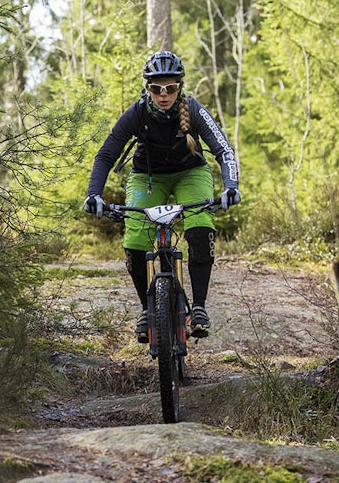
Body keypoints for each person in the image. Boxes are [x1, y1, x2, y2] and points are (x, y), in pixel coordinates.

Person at [83, 50, 240, 341]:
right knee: (135, 237)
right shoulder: (137, 113)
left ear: (179, 87)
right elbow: (106, 154)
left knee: (199, 222)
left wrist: (231, 185)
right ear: (148, 89)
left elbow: (223, 149)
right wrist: (94, 194)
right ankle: (147, 309)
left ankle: (200, 307)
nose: (163, 94)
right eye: (156, 89)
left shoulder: (193, 109)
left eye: (170, 88)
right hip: (148, 177)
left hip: (190, 173)